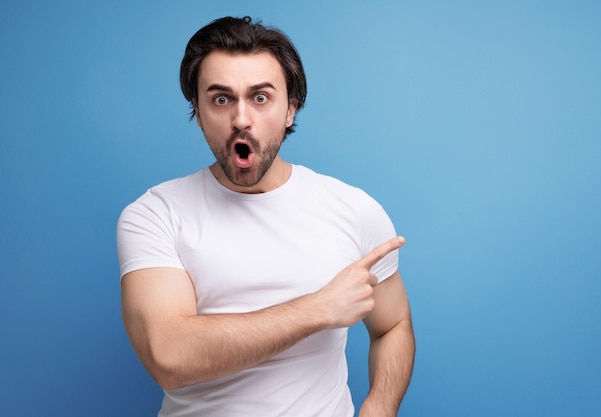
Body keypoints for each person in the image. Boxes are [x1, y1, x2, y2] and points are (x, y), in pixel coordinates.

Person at [117, 16, 415, 417]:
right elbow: (169, 357)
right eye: (221, 99)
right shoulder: (155, 215)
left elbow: (393, 326)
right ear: (198, 111)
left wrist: (379, 408)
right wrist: (318, 309)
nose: (241, 119)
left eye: (261, 98)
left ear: (291, 108)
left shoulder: (354, 209)